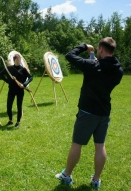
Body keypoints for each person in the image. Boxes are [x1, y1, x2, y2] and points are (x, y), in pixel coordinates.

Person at [55, 37, 123, 189]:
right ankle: (96, 180)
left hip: (87, 112)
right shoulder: (118, 70)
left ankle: (66, 176)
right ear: (112, 51)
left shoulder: (92, 65)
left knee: (76, 144)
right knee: (100, 146)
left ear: (100, 49)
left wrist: (85, 46)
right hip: (104, 113)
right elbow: (100, 73)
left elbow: (69, 55)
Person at [0, 54, 33, 128]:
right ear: (14, 60)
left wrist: (24, 84)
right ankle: (10, 120)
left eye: (19, 60)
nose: (18, 61)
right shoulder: (9, 68)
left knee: (19, 106)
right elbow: (1, 74)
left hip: (20, 91)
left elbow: (30, 77)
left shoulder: (23, 69)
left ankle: (18, 122)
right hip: (11, 90)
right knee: (8, 106)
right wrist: (8, 81)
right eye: (17, 60)